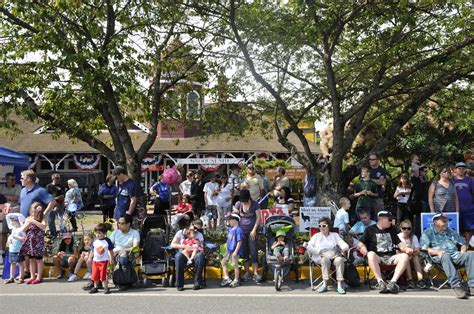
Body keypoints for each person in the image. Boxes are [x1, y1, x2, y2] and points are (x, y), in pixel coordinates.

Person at [420, 213, 474, 299]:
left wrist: (463, 251)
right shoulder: (428, 232)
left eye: (446, 221)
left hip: (455, 255)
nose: (446, 223)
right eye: (443, 221)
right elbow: (424, 248)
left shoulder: (451, 231)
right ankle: (456, 286)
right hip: (439, 256)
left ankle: (472, 286)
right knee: (445, 255)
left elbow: (463, 243)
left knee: (471, 254)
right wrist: (437, 252)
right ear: (435, 222)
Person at [357, 211, 411, 294]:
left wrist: (406, 249)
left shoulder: (391, 230)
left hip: (391, 257)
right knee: (370, 254)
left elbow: (400, 244)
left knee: (404, 256)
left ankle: (392, 282)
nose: (391, 221)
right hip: (377, 257)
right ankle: (380, 282)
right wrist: (363, 247)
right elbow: (360, 243)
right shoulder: (370, 229)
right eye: (389, 219)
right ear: (382, 219)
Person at [306, 217, 349, 294]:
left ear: (329, 226)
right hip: (321, 256)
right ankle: (325, 284)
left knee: (339, 260)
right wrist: (318, 251)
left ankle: (339, 285)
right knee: (325, 260)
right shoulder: (316, 236)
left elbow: (342, 244)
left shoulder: (335, 235)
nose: (321, 228)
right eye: (320, 226)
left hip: (334, 255)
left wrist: (344, 248)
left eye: (324, 225)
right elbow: (308, 246)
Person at [232, 189, 261, 283]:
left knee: (253, 251)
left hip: (252, 231)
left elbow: (258, 218)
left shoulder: (255, 204)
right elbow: (234, 215)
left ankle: (255, 273)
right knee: (244, 252)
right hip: (241, 232)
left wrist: (254, 230)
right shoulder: (238, 204)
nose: (243, 201)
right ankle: (247, 272)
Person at [170, 219, 206, 291]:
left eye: (198, 229)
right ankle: (179, 284)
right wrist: (183, 246)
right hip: (183, 253)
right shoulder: (180, 232)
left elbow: (202, 247)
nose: (196, 230)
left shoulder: (199, 235)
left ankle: (197, 283)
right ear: (191, 224)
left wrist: (198, 244)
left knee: (200, 256)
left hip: (194, 254)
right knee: (178, 257)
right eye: (195, 228)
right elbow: (172, 244)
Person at [20, 202, 47, 285]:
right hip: (30, 242)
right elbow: (23, 230)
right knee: (31, 259)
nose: (34, 214)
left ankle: (39, 277)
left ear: (40, 212)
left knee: (39, 259)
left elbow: (43, 226)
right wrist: (28, 222)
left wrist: (34, 221)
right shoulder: (28, 218)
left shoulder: (42, 218)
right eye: (33, 212)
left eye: (36, 212)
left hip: (38, 243)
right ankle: (32, 276)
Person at [397, 220, 426, 289]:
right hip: (400, 257)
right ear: (401, 229)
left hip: (412, 256)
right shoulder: (398, 237)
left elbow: (418, 251)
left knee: (415, 257)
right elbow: (396, 252)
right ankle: (410, 280)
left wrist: (412, 253)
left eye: (408, 228)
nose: (406, 230)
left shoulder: (414, 237)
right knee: (405, 257)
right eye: (404, 228)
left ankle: (420, 280)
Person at [88, 223, 114, 294]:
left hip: (104, 261)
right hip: (95, 261)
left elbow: (111, 250)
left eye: (99, 233)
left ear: (104, 233)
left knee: (103, 275)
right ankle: (95, 287)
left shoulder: (107, 240)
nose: (97, 235)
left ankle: (106, 288)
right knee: (95, 275)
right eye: (96, 233)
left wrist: (111, 258)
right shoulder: (95, 241)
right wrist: (90, 258)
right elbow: (92, 250)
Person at [452, 162, 474, 242]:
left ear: (465, 170)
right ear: (455, 170)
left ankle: (467, 244)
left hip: (469, 209)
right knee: (457, 229)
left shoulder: (470, 180)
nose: (461, 170)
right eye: (459, 168)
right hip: (456, 209)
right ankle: (461, 245)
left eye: (463, 168)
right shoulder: (452, 181)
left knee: (469, 229)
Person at [220, 213, 243, 288]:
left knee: (235, 265)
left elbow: (239, 241)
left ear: (235, 220)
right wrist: (226, 247)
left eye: (230, 220)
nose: (229, 222)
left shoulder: (238, 230)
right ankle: (227, 278)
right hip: (228, 250)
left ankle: (236, 280)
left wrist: (236, 251)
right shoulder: (230, 229)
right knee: (223, 262)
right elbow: (228, 239)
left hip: (234, 251)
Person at [408, 164, 430, 236]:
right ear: (419, 172)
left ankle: (423, 235)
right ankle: (417, 236)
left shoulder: (425, 179)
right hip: (418, 203)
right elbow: (415, 169)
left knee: (424, 220)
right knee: (418, 221)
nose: (426, 172)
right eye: (424, 171)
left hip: (425, 202)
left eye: (426, 171)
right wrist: (421, 166)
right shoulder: (416, 178)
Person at [4, 213, 25, 284]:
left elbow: (24, 238)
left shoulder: (21, 229)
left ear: (17, 221)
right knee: (12, 263)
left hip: (19, 249)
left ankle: (21, 277)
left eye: (12, 220)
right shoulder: (13, 229)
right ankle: (11, 277)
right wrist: (9, 239)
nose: (11, 222)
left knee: (20, 263)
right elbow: (11, 236)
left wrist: (16, 237)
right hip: (12, 249)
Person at [45, 173, 65, 237]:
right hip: (51, 206)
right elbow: (47, 196)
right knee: (50, 221)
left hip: (60, 205)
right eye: (56, 178)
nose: (57, 179)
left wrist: (56, 200)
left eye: (58, 178)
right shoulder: (49, 186)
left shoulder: (61, 186)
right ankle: (53, 234)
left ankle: (64, 233)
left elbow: (62, 196)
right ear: (52, 178)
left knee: (61, 220)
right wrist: (54, 201)